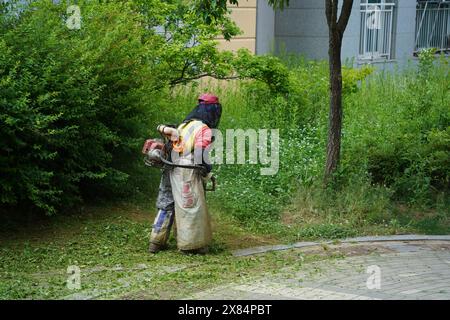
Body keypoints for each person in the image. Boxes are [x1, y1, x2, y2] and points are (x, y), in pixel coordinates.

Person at [149, 93, 222, 254]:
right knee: (190, 206)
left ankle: (156, 242)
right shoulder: (204, 129)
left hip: (170, 167)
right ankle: (191, 246)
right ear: (213, 112)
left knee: (166, 204)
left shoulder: (184, 125)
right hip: (186, 171)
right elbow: (200, 155)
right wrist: (208, 170)